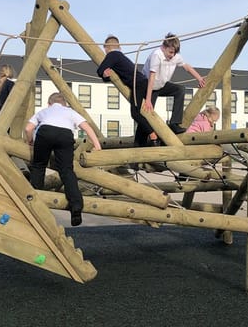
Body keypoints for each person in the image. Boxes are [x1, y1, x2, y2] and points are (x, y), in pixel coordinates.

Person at [25, 92, 102, 227]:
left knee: (39, 166)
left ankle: (35, 203)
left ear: (49, 104)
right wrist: (97, 145)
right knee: (67, 170)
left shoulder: (44, 111)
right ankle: (76, 205)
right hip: (65, 135)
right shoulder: (70, 112)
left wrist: (30, 140)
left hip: (45, 133)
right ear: (65, 104)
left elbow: (28, 128)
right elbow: (87, 127)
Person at [96, 35, 157, 147]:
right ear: (119, 47)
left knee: (135, 113)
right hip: (143, 82)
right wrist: (105, 76)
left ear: (106, 48)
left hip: (137, 84)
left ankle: (153, 134)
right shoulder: (120, 56)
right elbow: (109, 76)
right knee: (142, 113)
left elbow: (100, 70)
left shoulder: (112, 55)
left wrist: (102, 73)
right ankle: (140, 142)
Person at [142, 33, 205, 134]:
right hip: (148, 86)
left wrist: (199, 78)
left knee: (180, 90)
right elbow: (152, 77)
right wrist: (148, 99)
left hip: (161, 85)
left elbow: (187, 67)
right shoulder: (157, 55)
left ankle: (174, 123)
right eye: (170, 52)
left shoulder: (175, 57)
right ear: (164, 47)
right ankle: (141, 139)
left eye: (174, 53)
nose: (172, 55)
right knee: (147, 113)